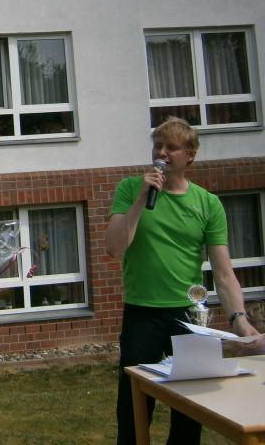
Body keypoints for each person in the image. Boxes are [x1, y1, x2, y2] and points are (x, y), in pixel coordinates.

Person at [105, 116, 261, 445]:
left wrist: (240, 320)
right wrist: (141, 199)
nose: (161, 153)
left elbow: (223, 272)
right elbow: (114, 248)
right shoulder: (131, 189)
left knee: (191, 411)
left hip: (190, 318)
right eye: (157, 146)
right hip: (142, 314)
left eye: (171, 147)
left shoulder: (207, 203)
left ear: (190, 155)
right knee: (133, 411)